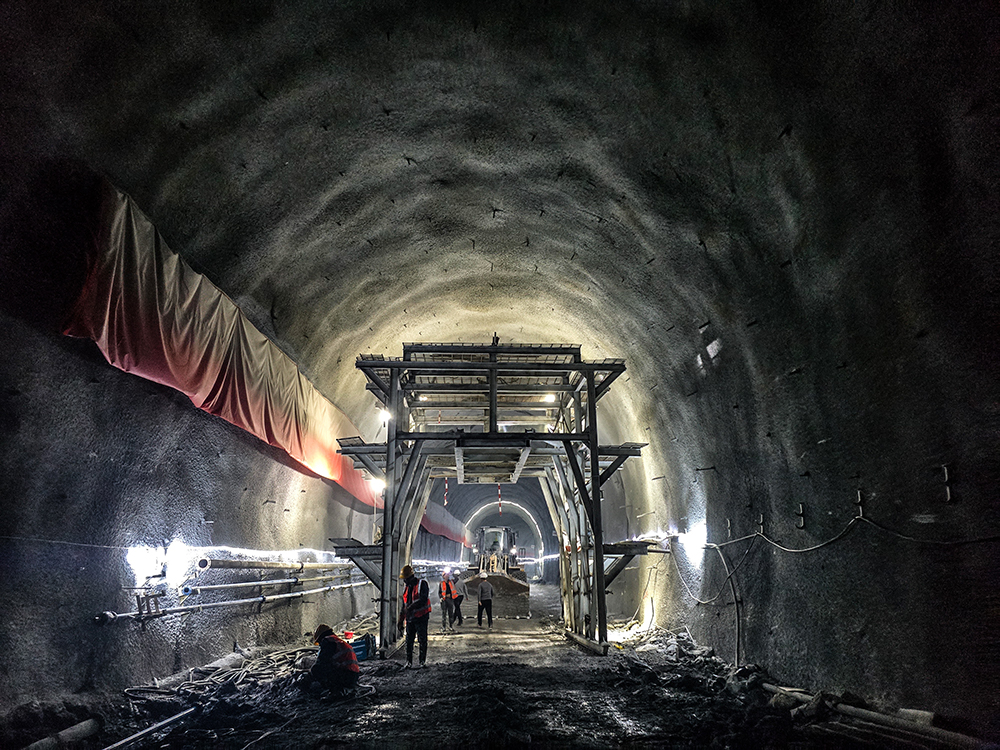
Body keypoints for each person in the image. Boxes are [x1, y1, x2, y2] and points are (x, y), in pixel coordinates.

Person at [398, 564, 431, 668]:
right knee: (409, 640)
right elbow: (404, 606)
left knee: (422, 640)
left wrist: (410, 607)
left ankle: (422, 662)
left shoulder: (422, 584)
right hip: (410, 619)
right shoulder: (406, 588)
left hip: (421, 617)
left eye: (406, 579)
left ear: (411, 577)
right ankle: (409, 662)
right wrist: (400, 620)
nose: (405, 581)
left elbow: (423, 599)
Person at [309, 623, 359, 691]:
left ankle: (332, 690)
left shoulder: (328, 641)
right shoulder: (336, 640)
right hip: (353, 677)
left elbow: (322, 662)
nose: (319, 644)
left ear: (320, 637)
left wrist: (310, 674)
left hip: (345, 676)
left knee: (317, 670)